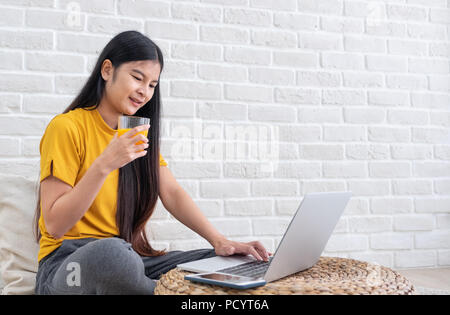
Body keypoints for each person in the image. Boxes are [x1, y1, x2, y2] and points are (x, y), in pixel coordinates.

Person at [33, 30, 270, 295]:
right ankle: (167, 292)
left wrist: (219, 241)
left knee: (230, 263)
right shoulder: (67, 127)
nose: (144, 92)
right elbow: (54, 224)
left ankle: (161, 288)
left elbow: (171, 192)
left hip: (130, 259)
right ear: (108, 70)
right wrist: (105, 164)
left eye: (152, 85)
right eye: (137, 78)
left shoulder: (135, 134)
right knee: (113, 254)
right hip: (66, 266)